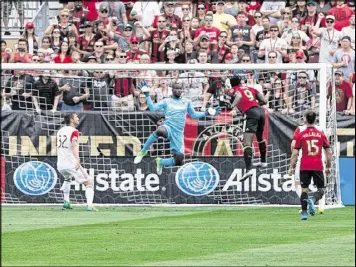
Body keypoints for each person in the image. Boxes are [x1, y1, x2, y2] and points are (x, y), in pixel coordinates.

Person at [134, 81, 221, 175]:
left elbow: (193, 115)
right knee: (160, 131)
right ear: (172, 90)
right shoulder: (166, 101)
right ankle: (142, 152)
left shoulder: (186, 101)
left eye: (180, 89)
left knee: (179, 160)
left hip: (178, 133)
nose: (179, 90)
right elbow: (152, 108)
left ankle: (160, 162)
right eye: (177, 88)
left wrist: (206, 113)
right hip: (168, 127)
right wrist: (147, 94)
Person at [288, 110, 332, 220]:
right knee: (321, 190)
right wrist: (328, 166)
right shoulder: (321, 132)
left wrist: (290, 167)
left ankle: (304, 213)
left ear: (305, 119)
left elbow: (294, 151)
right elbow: (329, 151)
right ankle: (312, 201)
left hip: (304, 165)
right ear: (315, 119)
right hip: (318, 164)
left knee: (304, 189)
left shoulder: (301, 133)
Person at [229, 76, 268, 180]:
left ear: (232, 84)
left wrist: (232, 106)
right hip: (261, 112)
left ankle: (248, 169)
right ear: (241, 82)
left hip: (250, 114)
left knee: (247, 143)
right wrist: (254, 103)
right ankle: (263, 161)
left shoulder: (235, 90)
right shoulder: (250, 88)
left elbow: (238, 97)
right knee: (260, 138)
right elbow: (264, 100)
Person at [57, 112, 97, 211]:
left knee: (67, 179)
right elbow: (74, 145)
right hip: (71, 163)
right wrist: (77, 159)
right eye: (76, 117)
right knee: (89, 182)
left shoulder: (60, 131)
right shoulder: (74, 131)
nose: (78, 118)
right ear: (71, 120)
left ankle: (66, 202)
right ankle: (90, 205)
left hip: (60, 164)